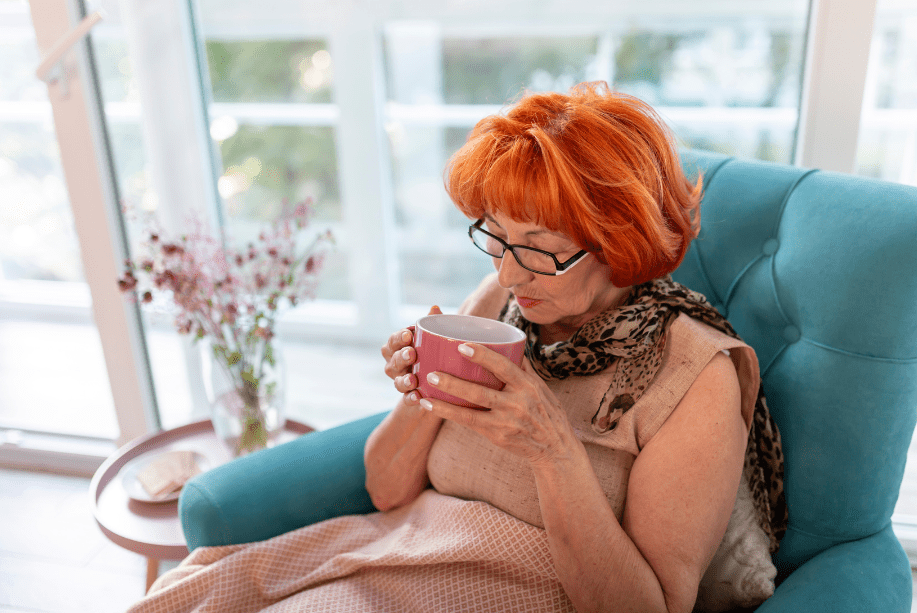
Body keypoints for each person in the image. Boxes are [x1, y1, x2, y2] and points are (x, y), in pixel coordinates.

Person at [128, 81, 785, 613]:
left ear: (620, 243)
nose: (506, 273)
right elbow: (386, 488)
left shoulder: (695, 375)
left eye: (537, 251)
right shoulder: (501, 304)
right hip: (394, 556)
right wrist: (421, 391)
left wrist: (553, 450)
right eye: (495, 239)